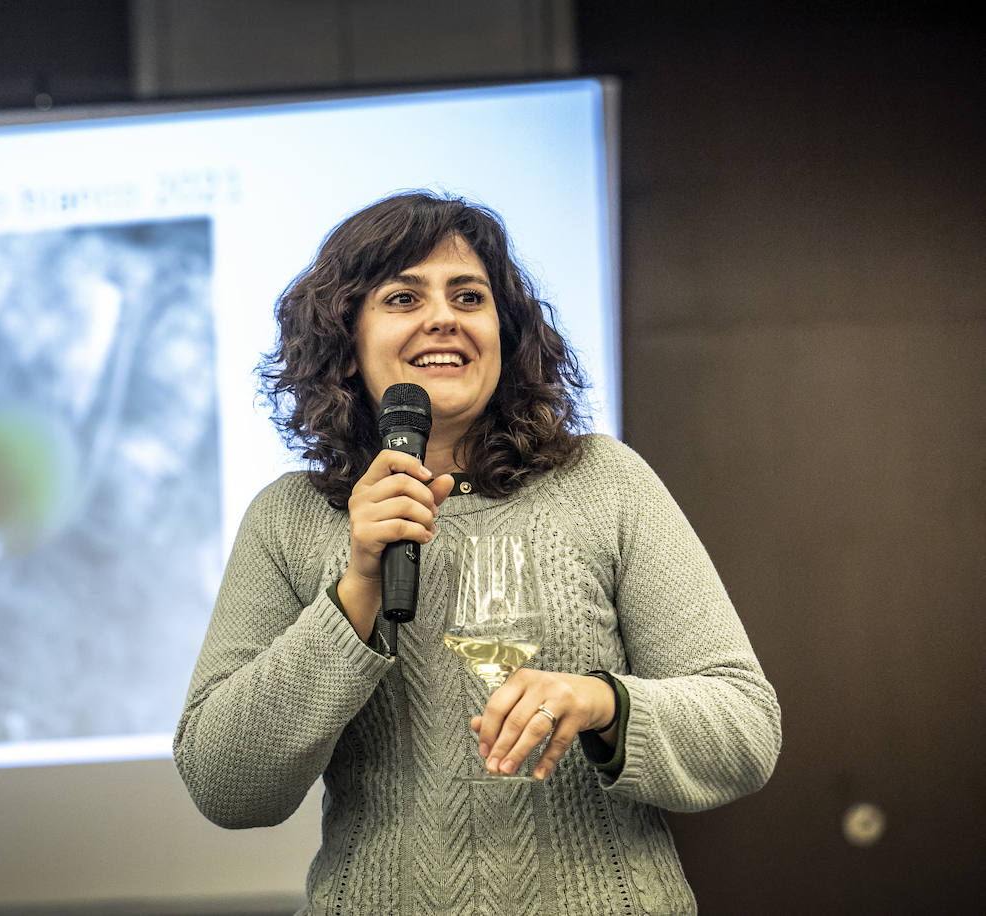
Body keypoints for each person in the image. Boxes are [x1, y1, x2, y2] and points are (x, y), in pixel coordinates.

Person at [174, 191, 780, 914]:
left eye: (469, 296)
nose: (443, 317)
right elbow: (224, 783)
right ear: (347, 339)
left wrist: (601, 700)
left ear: (504, 331)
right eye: (403, 297)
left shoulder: (604, 481)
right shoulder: (289, 518)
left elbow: (746, 729)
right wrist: (356, 591)